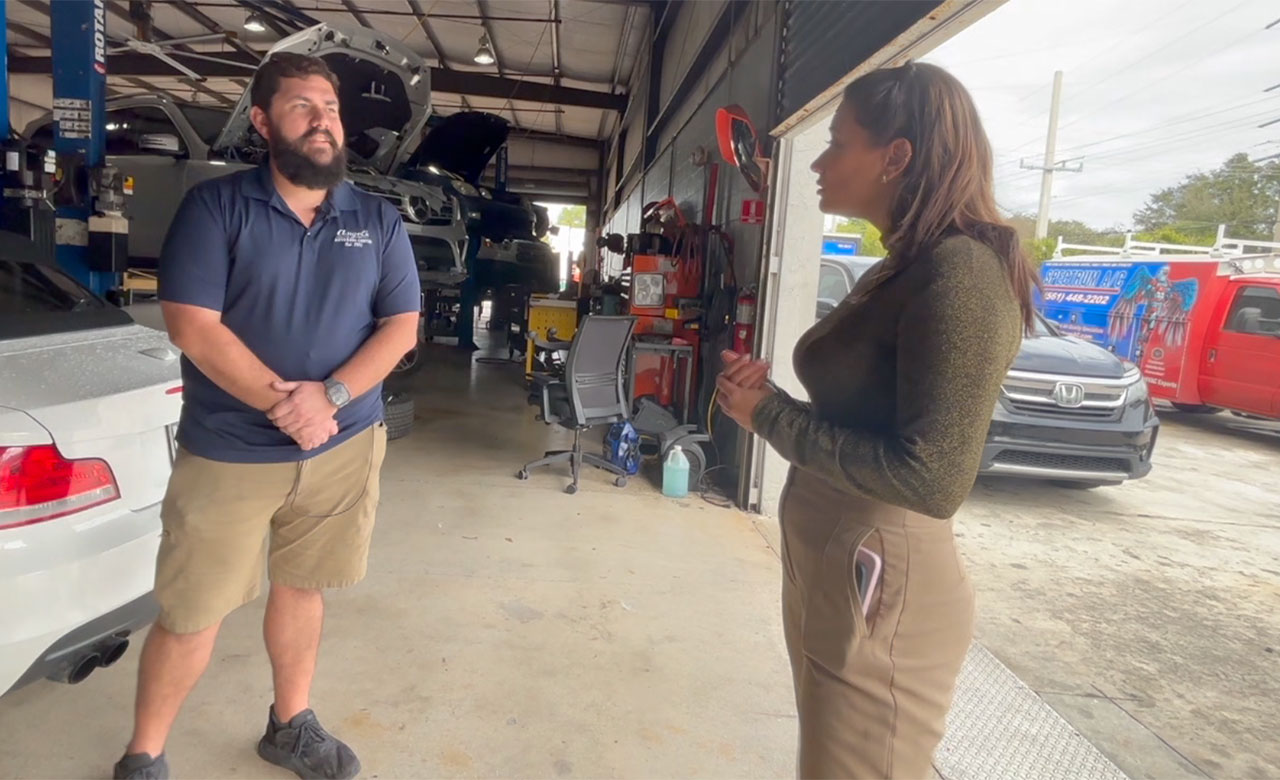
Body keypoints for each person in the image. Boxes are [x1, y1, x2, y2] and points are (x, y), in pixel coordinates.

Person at [714, 62, 1036, 779]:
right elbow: (866, 417)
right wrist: (770, 406)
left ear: (896, 157)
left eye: (837, 143)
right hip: (839, 564)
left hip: (879, 578)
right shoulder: (904, 266)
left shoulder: (960, 273)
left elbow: (932, 478)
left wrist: (772, 417)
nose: (819, 163)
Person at [112, 53, 420, 780]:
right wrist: (290, 407)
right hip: (230, 450)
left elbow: (401, 327)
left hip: (342, 443)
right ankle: (144, 754)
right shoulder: (216, 207)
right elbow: (192, 325)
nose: (322, 121)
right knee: (193, 609)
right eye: (302, 106)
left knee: (303, 584)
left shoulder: (376, 219)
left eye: (330, 108)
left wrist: (329, 399)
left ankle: (290, 723)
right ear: (262, 120)